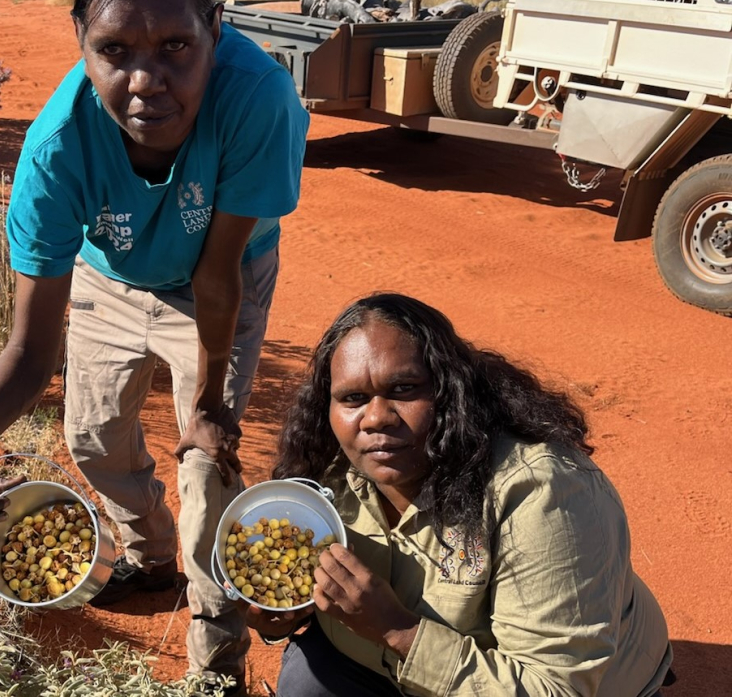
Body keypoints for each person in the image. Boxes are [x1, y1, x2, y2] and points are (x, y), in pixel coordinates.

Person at [0, 0, 308, 697]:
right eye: (114, 51)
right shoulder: (57, 149)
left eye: (176, 46)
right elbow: (33, 349)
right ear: (79, 37)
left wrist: (206, 403)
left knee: (209, 472)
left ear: (215, 22)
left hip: (219, 278)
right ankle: (150, 554)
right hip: (111, 275)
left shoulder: (259, 99)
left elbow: (217, 273)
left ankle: (215, 665)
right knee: (95, 438)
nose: (146, 81)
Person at [247, 293, 674, 697]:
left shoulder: (543, 493)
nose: (376, 417)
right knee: (309, 679)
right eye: (353, 398)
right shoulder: (329, 474)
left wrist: (396, 629)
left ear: (452, 392)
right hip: (385, 668)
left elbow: (554, 688)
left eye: (404, 389)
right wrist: (282, 616)